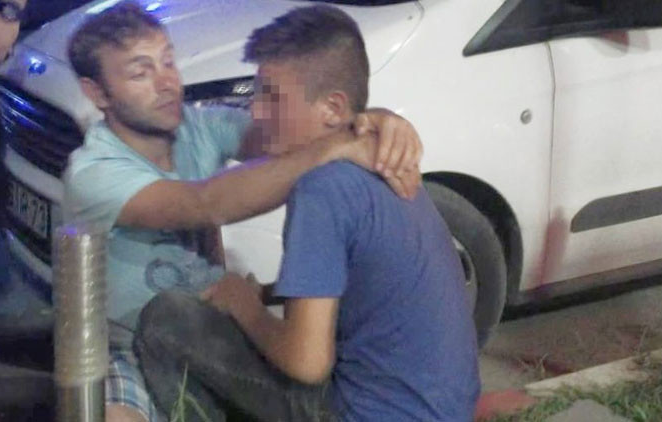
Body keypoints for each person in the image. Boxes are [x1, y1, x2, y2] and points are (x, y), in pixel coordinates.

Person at [63, 2, 423, 422]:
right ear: (98, 93)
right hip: (129, 344)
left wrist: (367, 121)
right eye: (141, 73)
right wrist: (343, 143)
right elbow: (204, 203)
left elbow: (290, 138)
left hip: (210, 332)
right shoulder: (93, 172)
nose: (167, 83)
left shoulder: (197, 127)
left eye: (168, 62)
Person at [134, 5, 480, 422]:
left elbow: (307, 363)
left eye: (272, 96)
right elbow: (364, 283)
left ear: (333, 108)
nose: (257, 112)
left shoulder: (321, 189)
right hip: (446, 410)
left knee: (166, 320)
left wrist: (244, 305)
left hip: (367, 413)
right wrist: (265, 295)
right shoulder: (386, 161)